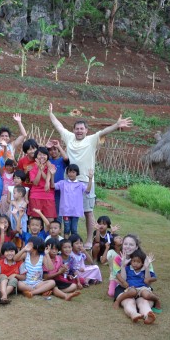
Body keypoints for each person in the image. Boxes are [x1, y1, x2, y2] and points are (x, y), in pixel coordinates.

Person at [49, 103, 132, 248]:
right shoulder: (69, 138)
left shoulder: (91, 140)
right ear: (73, 130)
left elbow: (104, 131)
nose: (79, 131)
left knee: (88, 211)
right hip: (69, 182)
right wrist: (51, 113)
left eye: (82, 129)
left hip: (86, 182)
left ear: (86, 130)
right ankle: (65, 239)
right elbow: (59, 126)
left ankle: (88, 240)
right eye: (77, 129)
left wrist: (116, 124)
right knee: (66, 210)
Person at [53, 165, 93, 238]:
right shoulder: (62, 183)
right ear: (67, 173)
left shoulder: (80, 184)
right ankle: (66, 244)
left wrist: (90, 179)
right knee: (67, 229)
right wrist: (52, 175)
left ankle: (73, 244)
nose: (71, 174)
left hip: (76, 211)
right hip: (66, 211)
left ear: (77, 173)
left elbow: (87, 191)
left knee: (74, 229)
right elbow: (53, 186)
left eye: (73, 172)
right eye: (69, 172)